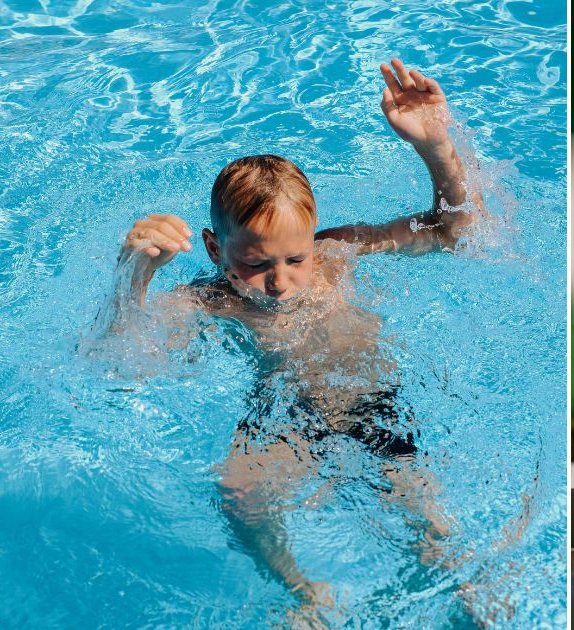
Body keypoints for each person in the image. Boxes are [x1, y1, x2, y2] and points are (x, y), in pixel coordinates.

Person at [108, 59, 494, 614]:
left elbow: (457, 231)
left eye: (296, 257)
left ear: (315, 239)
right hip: (289, 414)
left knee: (433, 533)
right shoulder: (214, 300)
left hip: (375, 402)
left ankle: (467, 591)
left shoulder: (339, 252)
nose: (281, 281)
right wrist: (134, 272)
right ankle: (303, 595)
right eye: (254, 262)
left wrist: (437, 150)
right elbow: (123, 360)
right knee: (239, 495)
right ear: (216, 250)